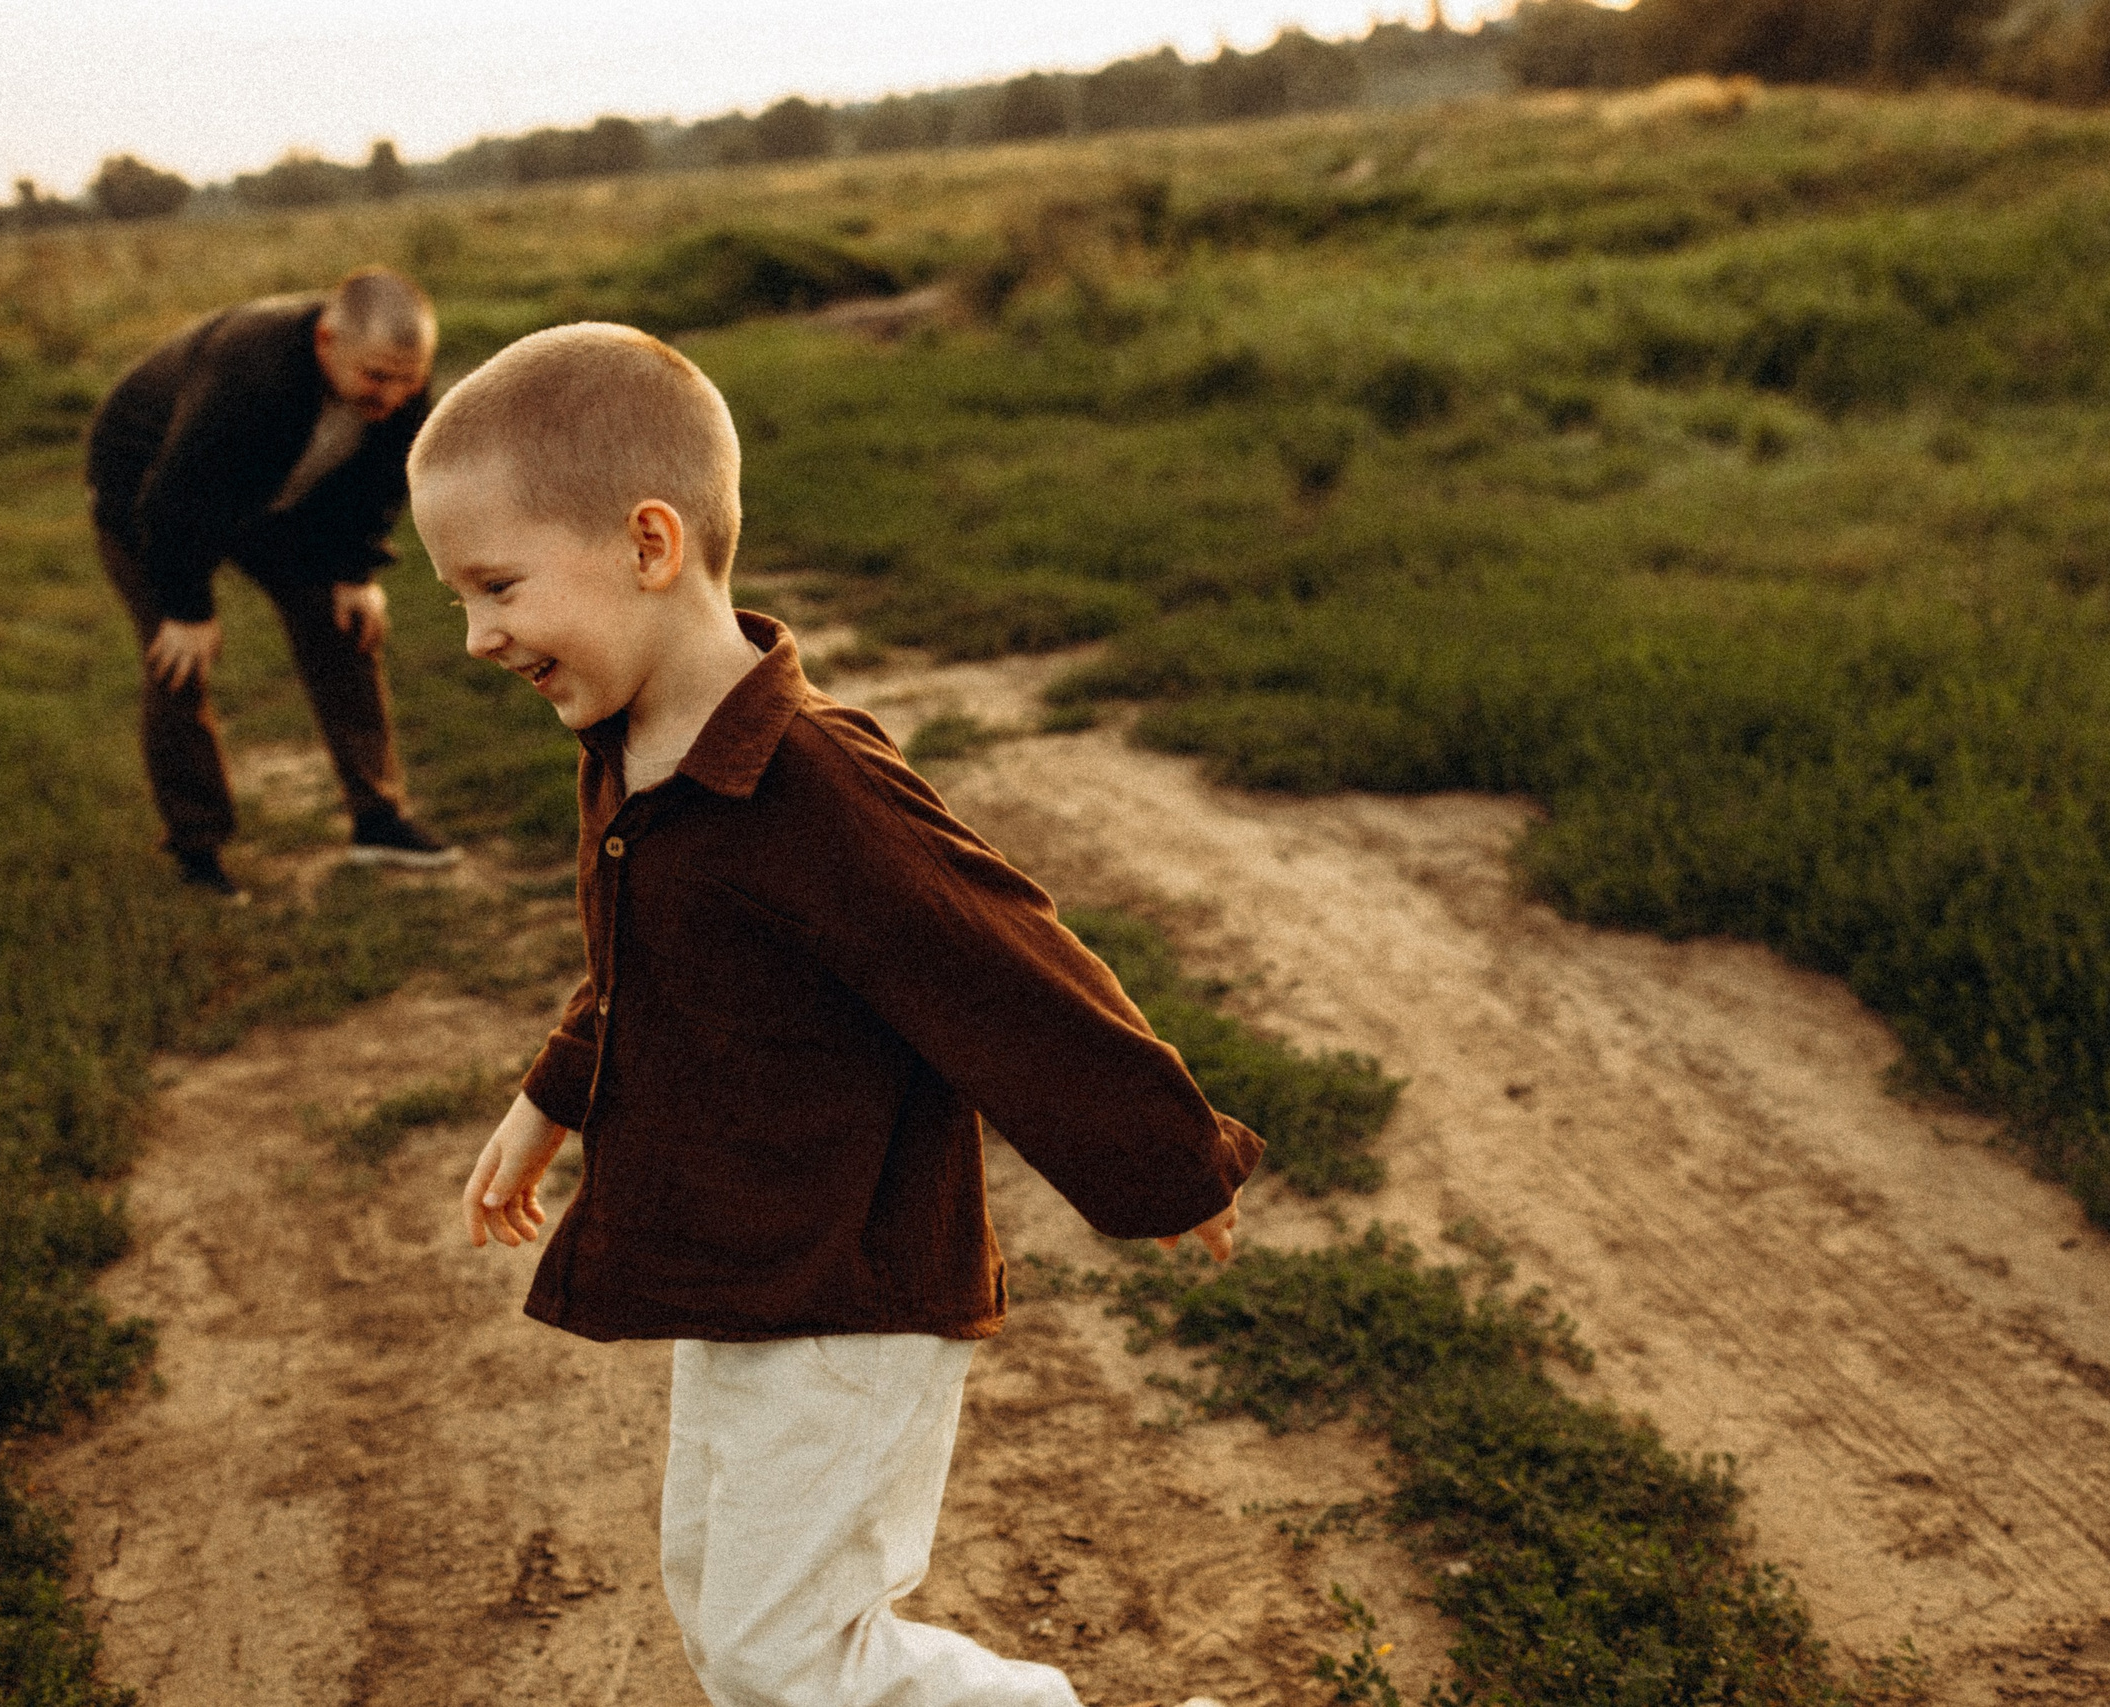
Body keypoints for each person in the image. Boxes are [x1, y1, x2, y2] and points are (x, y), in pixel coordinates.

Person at [407, 322, 1262, 1707]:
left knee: (785, 1650)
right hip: (748, 1269)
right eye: (457, 594)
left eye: (497, 584)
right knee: (731, 1608)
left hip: (849, 1283)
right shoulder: (635, 744)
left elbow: (1005, 966)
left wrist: (1161, 1159)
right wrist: (554, 1091)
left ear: (647, 542)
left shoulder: (815, 787)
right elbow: (651, 955)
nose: (475, 633)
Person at [87, 266, 459, 897]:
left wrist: (354, 571)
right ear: (325, 342)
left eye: (408, 380)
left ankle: (378, 817)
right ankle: (197, 849)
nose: (393, 396)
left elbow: (380, 485)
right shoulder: (250, 372)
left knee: (346, 626)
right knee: (179, 659)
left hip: (272, 500)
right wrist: (185, 608)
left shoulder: (396, 384)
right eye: (376, 378)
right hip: (145, 497)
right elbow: (173, 495)